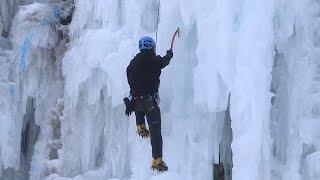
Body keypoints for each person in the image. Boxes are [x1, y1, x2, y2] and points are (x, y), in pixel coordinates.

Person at [124, 36, 173, 172]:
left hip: (137, 102)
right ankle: (157, 160)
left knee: (136, 98)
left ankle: (140, 125)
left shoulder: (132, 63)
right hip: (150, 103)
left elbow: (130, 81)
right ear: (151, 47)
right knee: (156, 132)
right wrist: (169, 54)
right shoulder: (154, 59)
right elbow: (164, 62)